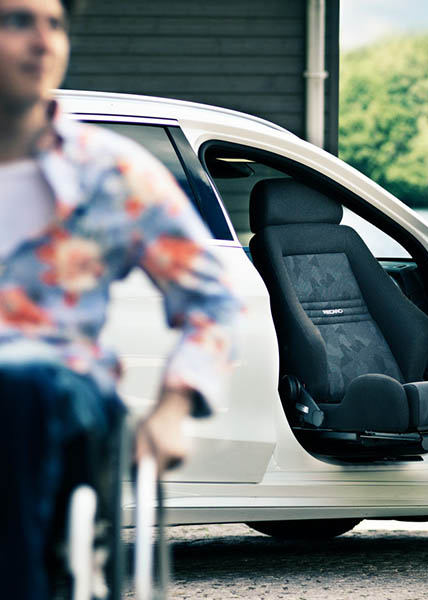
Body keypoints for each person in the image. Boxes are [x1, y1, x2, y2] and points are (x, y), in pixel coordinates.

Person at [0, 0, 241, 597]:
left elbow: (214, 298)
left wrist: (174, 407)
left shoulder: (110, 173)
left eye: (54, 24)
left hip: (58, 392)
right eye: (17, 21)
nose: (43, 41)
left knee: (20, 382)